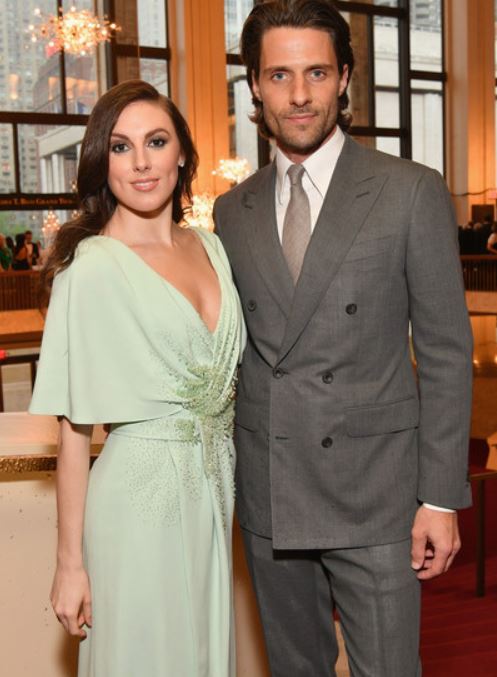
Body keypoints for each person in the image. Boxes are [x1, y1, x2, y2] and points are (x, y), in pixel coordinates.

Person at [214, 2, 473, 676]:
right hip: (272, 488)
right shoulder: (230, 211)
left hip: (377, 495)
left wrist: (439, 496)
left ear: (344, 77)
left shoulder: (408, 191)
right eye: (278, 75)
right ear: (254, 85)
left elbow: (445, 351)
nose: (298, 95)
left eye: (316, 73)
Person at [30, 80, 245, 677]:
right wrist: (70, 562)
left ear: (182, 154)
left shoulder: (212, 248)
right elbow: (74, 432)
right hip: (137, 502)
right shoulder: (91, 268)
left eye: (156, 141)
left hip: (212, 493)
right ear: (102, 163)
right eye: (121, 147)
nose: (142, 162)